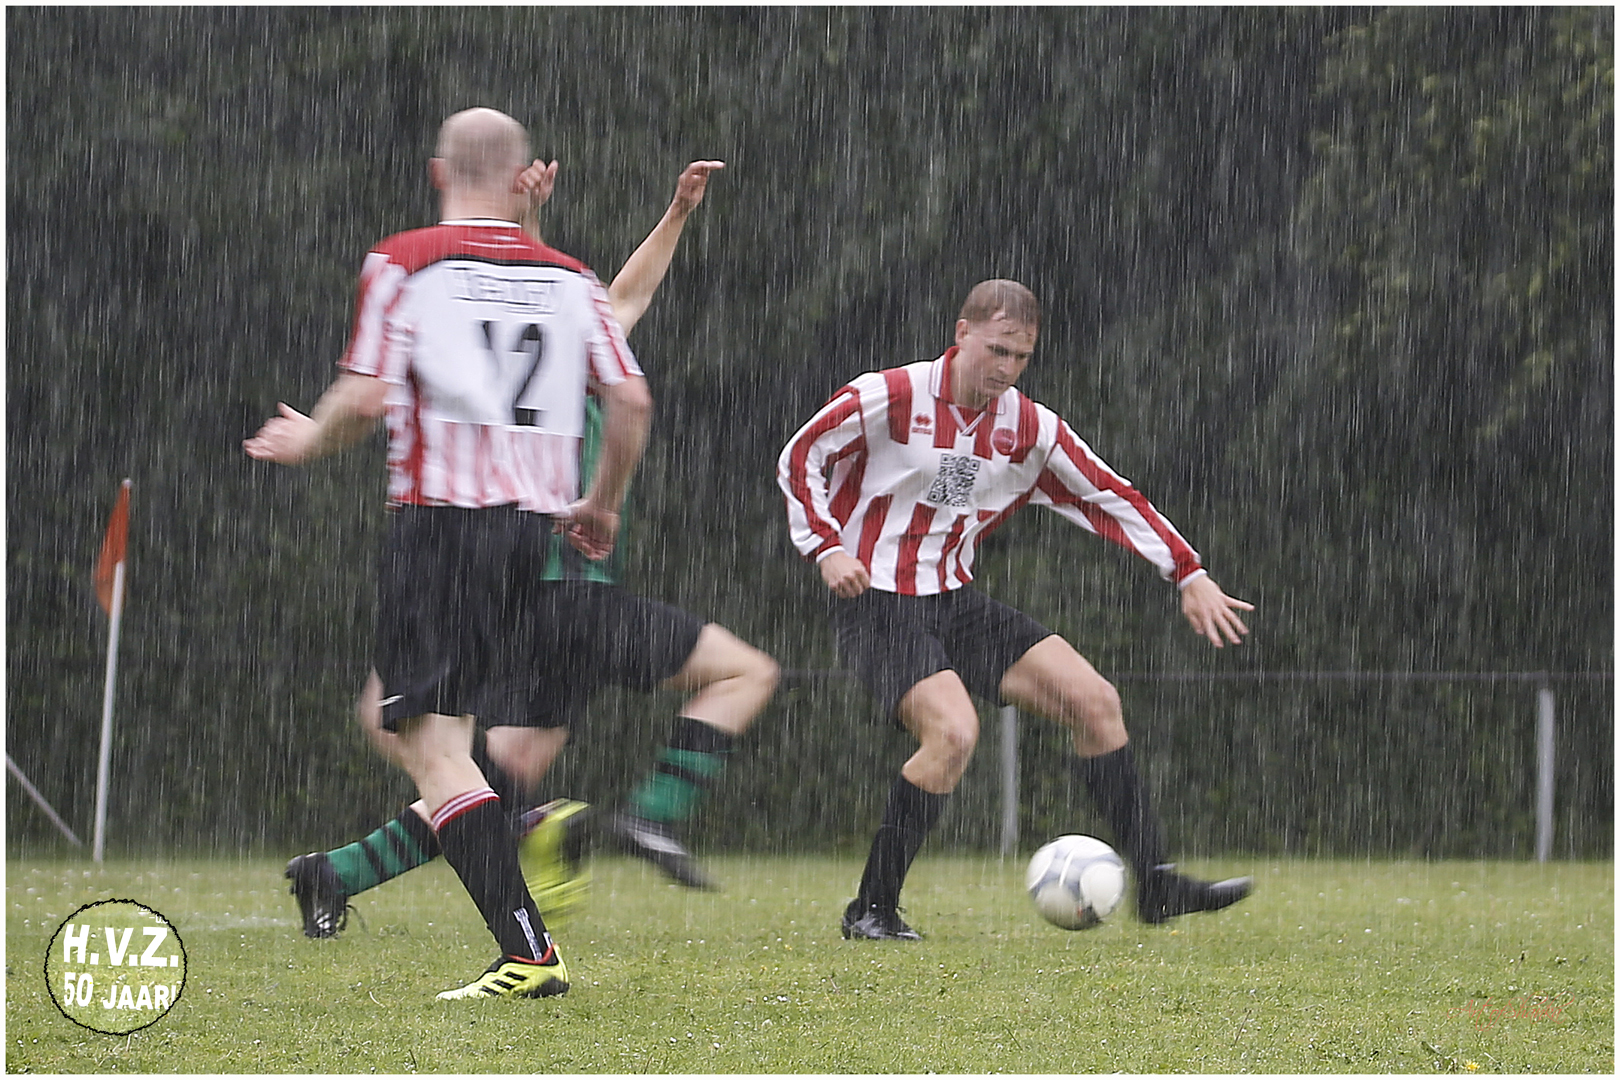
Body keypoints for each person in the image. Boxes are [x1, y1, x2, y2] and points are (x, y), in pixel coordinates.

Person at [280, 160, 779, 941]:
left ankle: (341, 872)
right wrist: (655, 216)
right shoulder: (562, 362)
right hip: (558, 586)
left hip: (521, 586)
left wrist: (674, 214)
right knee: (744, 672)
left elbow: (617, 295)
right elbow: (597, 300)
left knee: (480, 777)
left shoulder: (539, 351)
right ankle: (634, 820)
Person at [245, 107, 649, 999]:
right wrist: (603, 503)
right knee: (419, 729)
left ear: (439, 172)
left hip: (439, 529)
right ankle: (489, 841)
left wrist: (309, 439)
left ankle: (528, 951)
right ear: (519, 179)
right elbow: (630, 402)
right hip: (528, 540)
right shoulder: (571, 278)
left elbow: (365, 399)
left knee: (434, 748)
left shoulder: (407, 260)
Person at [776, 279, 1256, 941]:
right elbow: (800, 456)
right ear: (962, 334)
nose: (1006, 369)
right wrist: (826, 547)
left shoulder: (1028, 429)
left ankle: (1155, 883)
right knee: (953, 734)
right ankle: (872, 909)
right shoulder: (890, 394)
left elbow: (1110, 495)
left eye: (1021, 357)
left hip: (955, 600)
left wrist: (1188, 571)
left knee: (1096, 702)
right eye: (996, 350)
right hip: (877, 602)